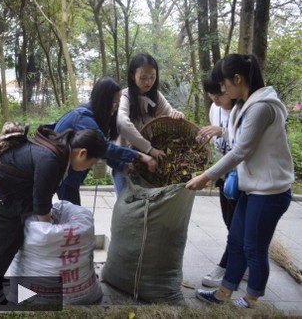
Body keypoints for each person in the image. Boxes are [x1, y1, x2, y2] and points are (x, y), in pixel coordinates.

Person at [186, 53, 294, 308]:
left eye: (223, 85)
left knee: (254, 247)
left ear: (238, 79)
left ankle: (251, 299)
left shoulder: (262, 107)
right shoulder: (243, 106)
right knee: (236, 240)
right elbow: (236, 141)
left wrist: (206, 176)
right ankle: (223, 293)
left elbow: (240, 151)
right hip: (253, 188)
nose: (221, 90)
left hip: (270, 193)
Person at [0, 127, 108, 305]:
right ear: (82, 153)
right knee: (10, 239)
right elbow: (41, 203)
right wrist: (48, 234)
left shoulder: (57, 148)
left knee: (3, 235)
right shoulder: (51, 159)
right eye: (92, 163)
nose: (88, 169)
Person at [53, 77, 157, 205]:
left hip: (70, 176)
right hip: (63, 176)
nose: (116, 107)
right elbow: (105, 147)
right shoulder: (83, 119)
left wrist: (122, 167)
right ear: (103, 100)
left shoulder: (95, 116)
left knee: (73, 214)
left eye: (118, 102)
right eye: (113, 102)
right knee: (71, 216)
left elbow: (101, 150)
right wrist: (140, 156)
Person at [113, 52, 184, 194]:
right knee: (126, 206)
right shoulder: (125, 96)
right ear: (133, 76)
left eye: (152, 77)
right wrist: (149, 149)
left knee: (146, 207)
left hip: (148, 164)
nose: (148, 82)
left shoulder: (156, 96)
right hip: (125, 161)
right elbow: (122, 123)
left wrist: (178, 114)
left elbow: (170, 114)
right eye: (143, 77)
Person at [198, 74, 245, 288]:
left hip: (240, 176)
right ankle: (241, 261)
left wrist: (223, 132)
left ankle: (226, 266)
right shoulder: (215, 109)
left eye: (218, 95)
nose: (215, 100)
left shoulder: (242, 110)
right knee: (230, 222)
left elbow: (242, 145)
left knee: (237, 225)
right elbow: (217, 143)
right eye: (211, 96)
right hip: (223, 174)